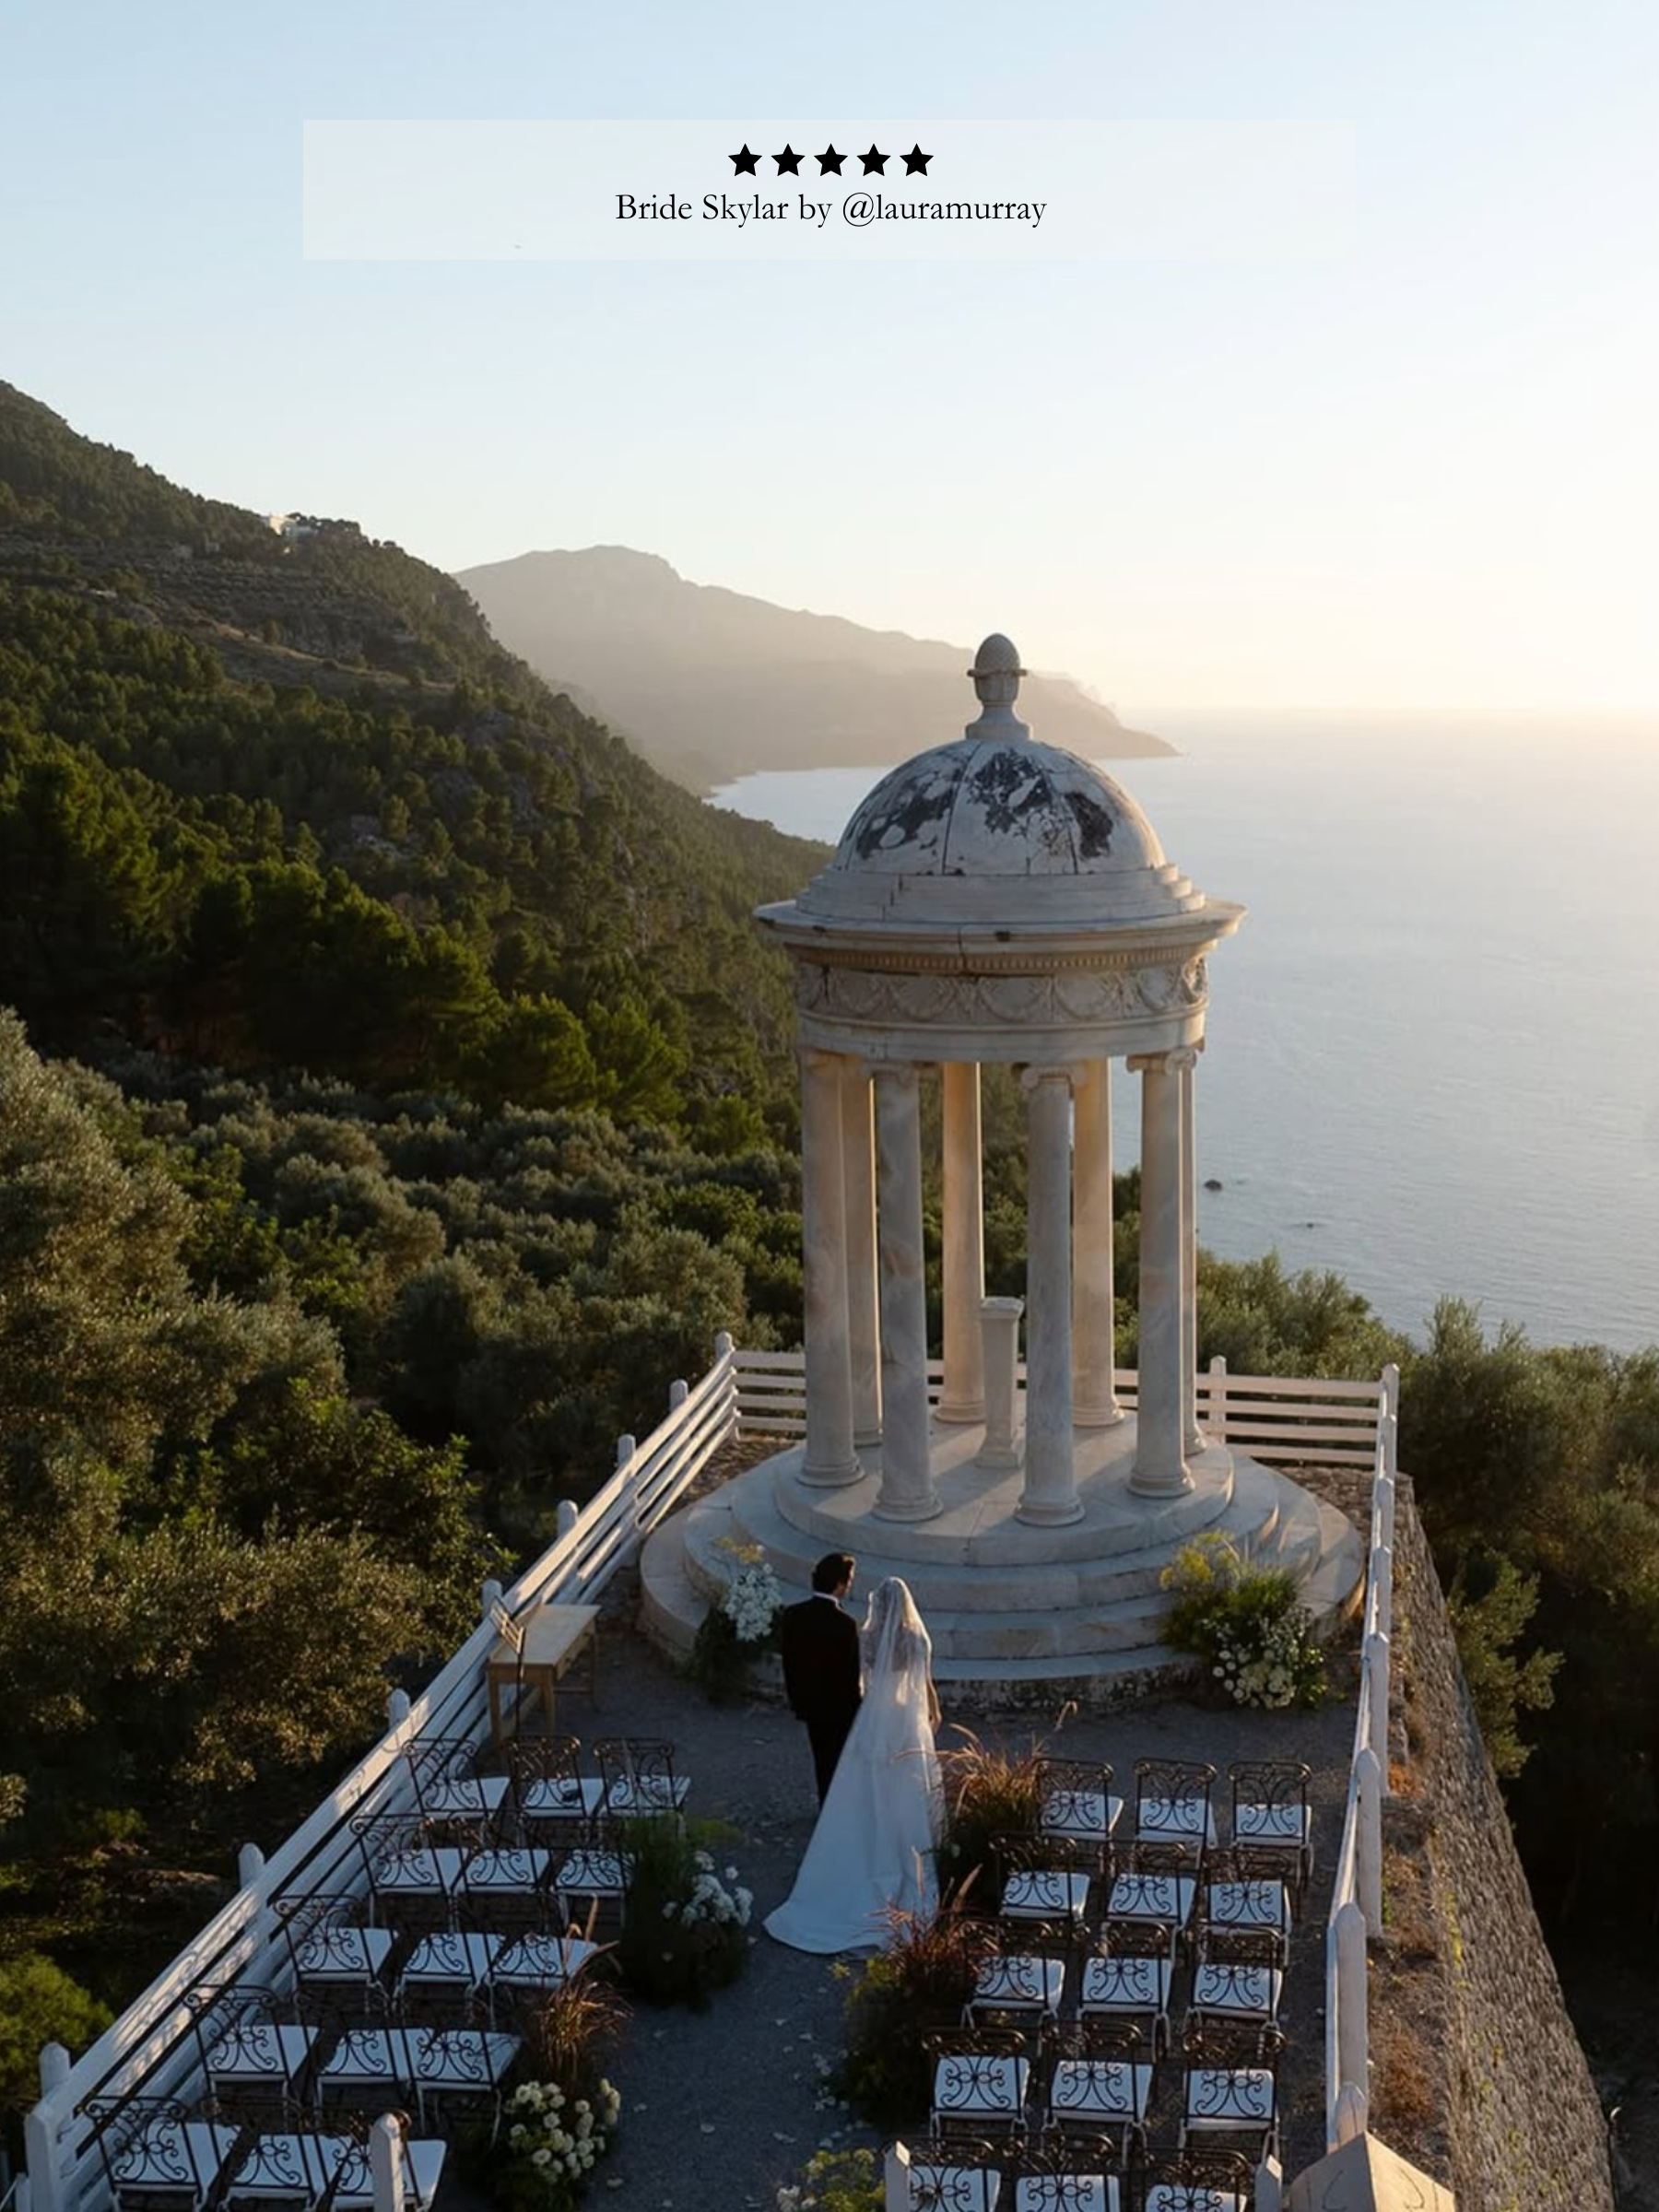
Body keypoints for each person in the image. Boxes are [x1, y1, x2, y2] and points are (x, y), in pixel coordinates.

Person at [765, 1575, 944, 1954]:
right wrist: (933, 1709)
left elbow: (862, 1682)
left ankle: (866, 1850)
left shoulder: (867, 1637)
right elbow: (924, 1682)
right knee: (908, 1788)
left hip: (875, 1719)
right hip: (907, 1721)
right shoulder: (916, 1640)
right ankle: (910, 1854)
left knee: (867, 1789)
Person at [779, 1551, 863, 1805]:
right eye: (849, 1580)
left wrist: (797, 1700)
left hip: (809, 1703)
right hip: (840, 1709)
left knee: (821, 1758)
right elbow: (851, 1673)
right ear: (839, 1584)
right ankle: (836, 1808)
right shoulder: (845, 1624)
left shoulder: (793, 1615)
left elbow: (789, 1662)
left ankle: (825, 1805)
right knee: (840, 1760)